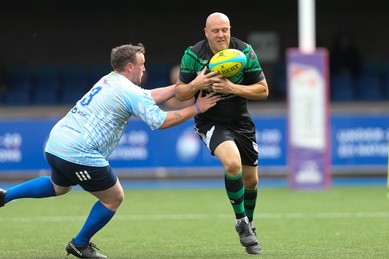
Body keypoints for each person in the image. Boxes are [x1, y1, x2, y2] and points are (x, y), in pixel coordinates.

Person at [0, 43, 219, 259]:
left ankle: (5, 196)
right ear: (130, 67)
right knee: (113, 198)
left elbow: (148, 96)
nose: (145, 67)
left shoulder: (110, 79)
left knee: (59, 186)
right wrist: (197, 108)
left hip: (57, 143)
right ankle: (79, 244)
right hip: (78, 151)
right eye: (141, 63)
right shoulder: (127, 90)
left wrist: (182, 87)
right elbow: (161, 121)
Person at [175, 12, 269, 255]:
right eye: (215, 30)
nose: (221, 34)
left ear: (230, 29)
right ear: (206, 32)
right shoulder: (193, 55)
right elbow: (180, 93)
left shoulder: (245, 52)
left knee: (251, 181)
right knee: (232, 164)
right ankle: (240, 221)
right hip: (210, 121)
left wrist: (231, 87)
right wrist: (198, 84)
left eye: (224, 29)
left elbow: (263, 91)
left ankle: (249, 223)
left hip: (241, 122)